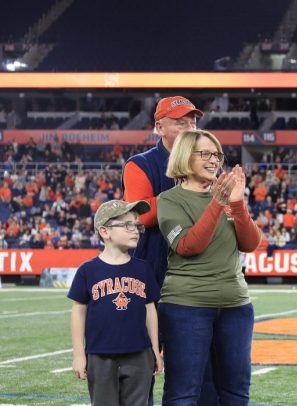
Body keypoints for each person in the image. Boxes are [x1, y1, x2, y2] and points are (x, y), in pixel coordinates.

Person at [121, 96, 218, 406]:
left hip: (197, 279)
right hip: (152, 276)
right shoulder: (140, 164)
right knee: (142, 366)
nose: (190, 127)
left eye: (193, 121)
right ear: (159, 127)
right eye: (180, 122)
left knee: (198, 372)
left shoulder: (208, 160)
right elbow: (141, 214)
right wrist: (187, 193)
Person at [157, 129, 262, 405]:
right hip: (186, 306)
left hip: (236, 306)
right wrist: (218, 203)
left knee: (236, 392)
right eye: (205, 153)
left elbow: (250, 243)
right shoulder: (169, 200)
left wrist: (237, 204)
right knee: (184, 393)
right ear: (184, 156)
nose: (214, 159)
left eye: (217, 154)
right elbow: (189, 246)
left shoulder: (228, 197)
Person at [68, 200, 162, 405]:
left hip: (139, 354)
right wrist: (78, 354)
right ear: (105, 231)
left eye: (137, 225)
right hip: (100, 355)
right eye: (127, 225)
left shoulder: (143, 269)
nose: (135, 230)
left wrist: (155, 350)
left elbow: (150, 311)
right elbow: (78, 311)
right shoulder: (88, 270)